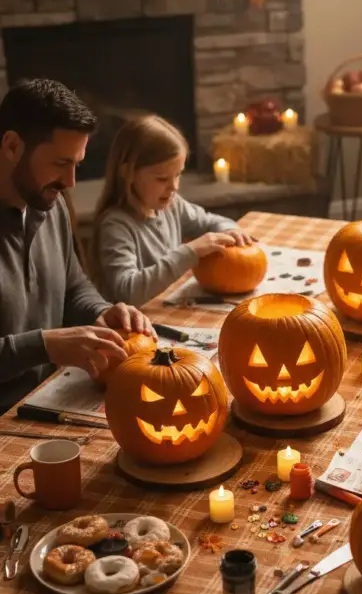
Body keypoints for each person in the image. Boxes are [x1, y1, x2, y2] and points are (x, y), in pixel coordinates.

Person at [0, 79, 153, 413]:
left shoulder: (48, 202)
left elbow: (72, 287)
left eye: (76, 164)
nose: (70, 182)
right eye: (60, 163)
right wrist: (44, 345)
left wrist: (101, 311)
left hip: (48, 399)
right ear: (12, 146)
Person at [92, 114, 254, 307]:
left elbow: (209, 221)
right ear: (128, 173)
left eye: (178, 175)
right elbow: (128, 292)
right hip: (131, 328)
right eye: (162, 179)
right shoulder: (116, 225)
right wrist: (190, 251)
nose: (174, 187)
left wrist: (229, 230)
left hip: (164, 309)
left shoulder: (172, 205)